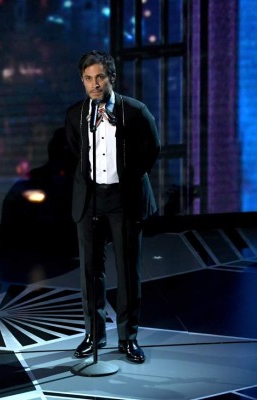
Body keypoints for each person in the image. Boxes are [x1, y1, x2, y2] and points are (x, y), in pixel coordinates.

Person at [64, 50, 161, 364]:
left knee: (127, 270)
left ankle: (128, 338)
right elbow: (76, 153)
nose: (94, 84)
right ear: (82, 81)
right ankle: (93, 335)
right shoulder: (75, 114)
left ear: (111, 78)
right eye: (89, 79)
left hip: (125, 199)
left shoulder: (134, 111)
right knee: (90, 272)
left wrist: (128, 176)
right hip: (90, 199)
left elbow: (153, 149)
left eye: (100, 77)